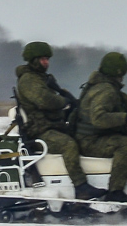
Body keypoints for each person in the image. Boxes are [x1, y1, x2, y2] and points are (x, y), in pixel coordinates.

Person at [14, 42, 104, 201]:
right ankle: (80, 187)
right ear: (33, 60)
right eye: (43, 59)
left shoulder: (41, 79)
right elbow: (44, 100)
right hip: (40, 131)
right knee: (68, 144)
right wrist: (64, 101)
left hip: (52, 126)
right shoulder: (28, 80)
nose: (46, 63)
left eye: (47, 59)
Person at [74, 52, 127, 203]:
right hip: (89, 141)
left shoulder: (108, 87)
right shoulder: (105, 91)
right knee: (125, 145)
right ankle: (115, 192)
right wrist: (126, 117)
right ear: (119, 72)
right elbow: (99, 118)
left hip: (99, 137)